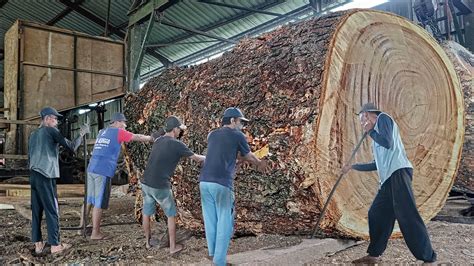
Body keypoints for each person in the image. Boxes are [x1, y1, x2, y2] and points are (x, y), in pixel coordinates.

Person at [342, 103, 437, 264]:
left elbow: (388, 142)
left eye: (362, 120)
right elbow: (376, 164)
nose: (362, 124)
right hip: (387, 180)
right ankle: (374, 255)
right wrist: (353, 167)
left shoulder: (382, 118)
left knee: (407, 215)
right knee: (377, 214)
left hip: (399, 172)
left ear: (367, 114)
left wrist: (370, 131)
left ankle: (428, 258)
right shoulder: (376, 137)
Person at [199, 107, 269, 266]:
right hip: (222, 183)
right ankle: (219, 261)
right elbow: (247, 155)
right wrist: (259, 163)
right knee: (225, 222)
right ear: (232, 120)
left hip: (204, 181)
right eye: (240, 122)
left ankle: (212, 253)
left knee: (210, 219)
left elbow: (224, 153)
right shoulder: (238, 135)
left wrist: (237, 160)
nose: (242, 126)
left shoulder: (212, 135)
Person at [80, 112, 154, 240]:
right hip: (102, 170)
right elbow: (137, 137)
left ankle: (81, 229)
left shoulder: (102, 131)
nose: (125, 125)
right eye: (124, 123)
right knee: (98, 202)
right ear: (117, 122)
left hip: (91, 168)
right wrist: (152, 138)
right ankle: (95, 233)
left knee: (88, 200)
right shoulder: (119, 132)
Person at [29, 106, 89, 254]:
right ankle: (55, 245)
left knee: (36, 210)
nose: (56, 122)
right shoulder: (51, 130)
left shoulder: (33, 134)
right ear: (48, 118)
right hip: (46, 174)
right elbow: (71, 146)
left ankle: (38, 244)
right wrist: (81, 134)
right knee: (52, 210)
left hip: (33, 174)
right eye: (55, 119)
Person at [141, 116, 205, 253]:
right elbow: (196, 158)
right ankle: (172, 247)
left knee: (146, 212)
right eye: (179, 129)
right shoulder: (177, 144)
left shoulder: (158, 141)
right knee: (171, 214)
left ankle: (147, 243)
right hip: (160, 185)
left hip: (145, 182)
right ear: (175, 129)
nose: (180, 132)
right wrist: (211, 157)